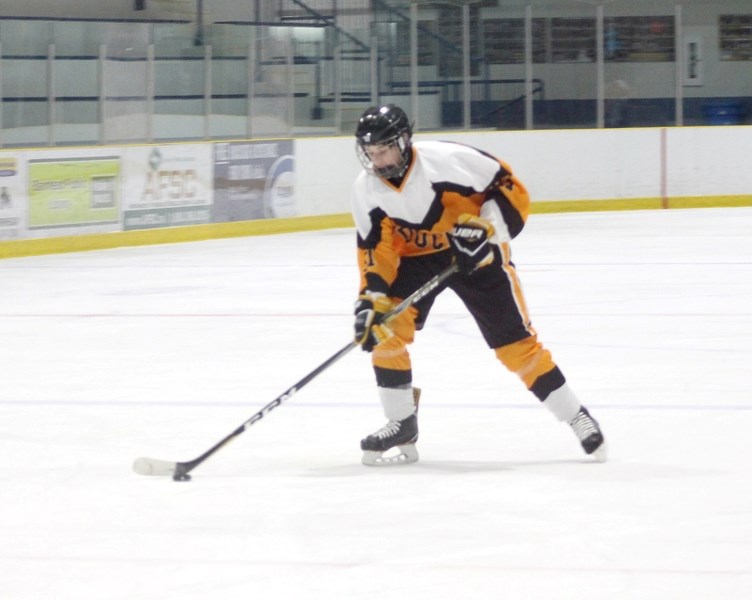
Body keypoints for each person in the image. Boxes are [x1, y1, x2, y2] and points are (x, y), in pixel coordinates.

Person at [351, 103, 607, 466]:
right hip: (418, 259)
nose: (378, 160)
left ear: (404, 141)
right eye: (371, 153)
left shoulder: (450, 162)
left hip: (475, 252)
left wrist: (486, 229)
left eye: (384, 149)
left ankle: (576, 416)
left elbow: (511, 190)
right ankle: (401, 422)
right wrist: (371, 298)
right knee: (385, 328)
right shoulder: (366, 190)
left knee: (516, 347)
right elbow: (376, 249)